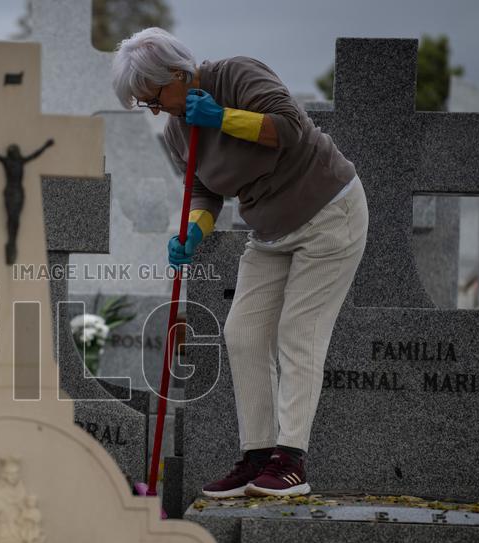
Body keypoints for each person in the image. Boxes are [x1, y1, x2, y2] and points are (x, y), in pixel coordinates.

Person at [112, 28, 369, 498]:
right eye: (145, 104)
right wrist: (193, 230)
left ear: (178, 73)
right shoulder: (176, 132)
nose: (155, 109)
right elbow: (206, 193)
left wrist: (222, 117)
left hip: (330, 212)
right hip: (271, 230)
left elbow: (288, 128)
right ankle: (257, 457)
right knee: (243, 333)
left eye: (155, 97)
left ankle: (291, 463)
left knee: (299, 330)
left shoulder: (234, 75)